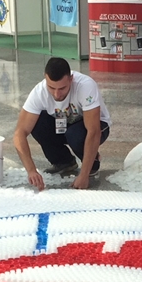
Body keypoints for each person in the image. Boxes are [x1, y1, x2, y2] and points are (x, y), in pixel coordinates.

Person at [13, 57, 111, 190]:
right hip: (64, 124)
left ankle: (91, 164)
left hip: (95, 126)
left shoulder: (85, 86)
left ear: (71, 79)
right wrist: (31, 170)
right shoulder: (39, 92)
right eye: (51, 87)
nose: (56, 94)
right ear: (45, 78)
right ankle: (64, 162)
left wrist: (84, 175)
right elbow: (20, 133)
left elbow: (93, 131)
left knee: (75, 135)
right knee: (37, 122)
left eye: (62, 88)